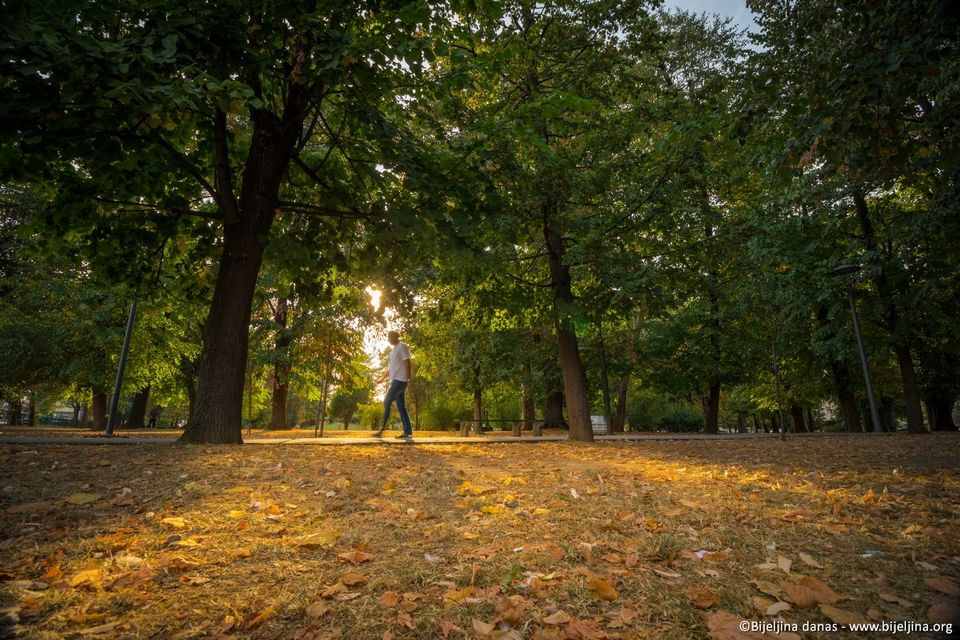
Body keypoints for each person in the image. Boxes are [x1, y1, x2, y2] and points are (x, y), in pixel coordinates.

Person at [372, 330, 413, 439]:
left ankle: (381, 430)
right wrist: (380, 379)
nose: (388, 340)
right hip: (396, 381)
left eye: (389, 337)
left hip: (400, 381)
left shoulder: (402, 347)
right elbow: (390, 369)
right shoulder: (394, 350)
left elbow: (408, 363)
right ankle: (407, 432)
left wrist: (409, 379)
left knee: (387, 402)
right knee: (401, 407)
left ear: (395, 337)